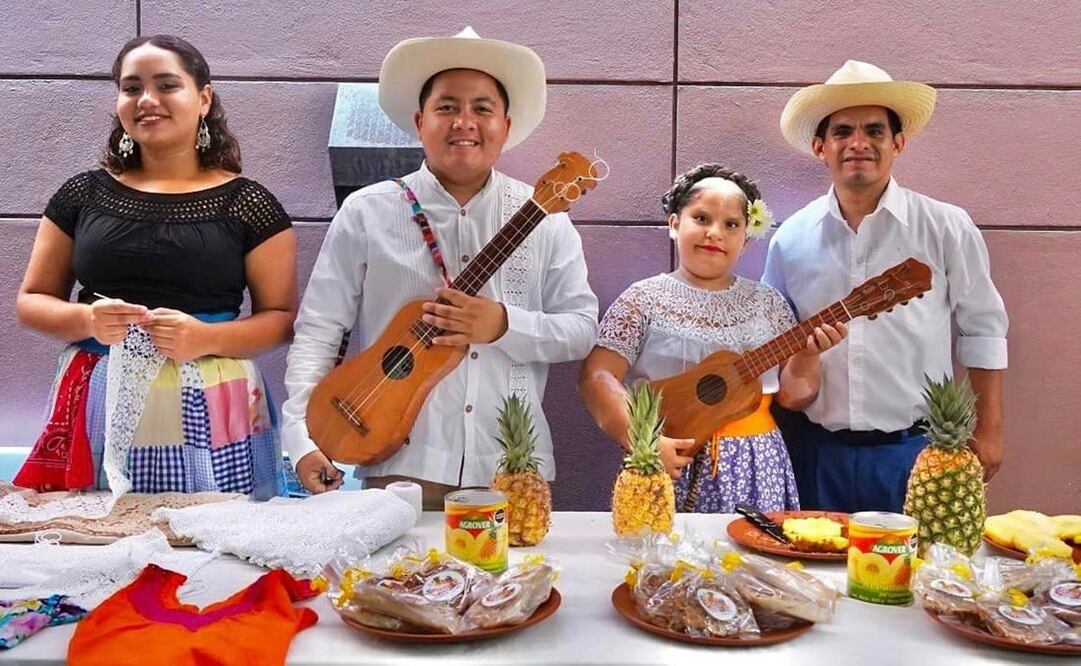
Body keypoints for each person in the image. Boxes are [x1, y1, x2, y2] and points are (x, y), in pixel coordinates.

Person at [281, 28, 598, 505]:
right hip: (397, 466)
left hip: (512, 470)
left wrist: (503, 324)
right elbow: (319, 330)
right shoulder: (368, 211)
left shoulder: (544, 217)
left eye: (482, 108)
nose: (464, 122)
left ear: (506, 127)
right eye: (446, 107)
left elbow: (580, 330)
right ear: (419, 121)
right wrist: (302, 440)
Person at [14, 35, 297, 499]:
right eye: (131, 88)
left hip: (213, 400)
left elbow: (281, 319)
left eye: (167, 85)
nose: (147, 100)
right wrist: (85, 319)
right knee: (99, 545)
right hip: (97, 397)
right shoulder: (81, 195)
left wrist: (205, 338)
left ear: (203, 98)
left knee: (213, 550)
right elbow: (31, 303)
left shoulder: (251, 205)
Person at [764, 60, 1008, 512]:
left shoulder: (945, 227)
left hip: (917, 454)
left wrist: (989, 429)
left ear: (898, 143)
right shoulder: (790, 239)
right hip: (815, 453)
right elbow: (771, 342)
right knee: (813, 578)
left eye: (875, 131)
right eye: (842, 132)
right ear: (820, 146)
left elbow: (984, 329)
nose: (859, 143)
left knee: (916, 579)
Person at [578, 164, 845, 512]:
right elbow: (596, 377)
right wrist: (643, 440)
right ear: (675, 225)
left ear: (746, 237)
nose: (714, 233)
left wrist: (809, 356)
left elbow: (793, 397)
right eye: (701, 218)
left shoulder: (767, 303)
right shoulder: (642, 299)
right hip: (666, 462)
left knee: (752, 562)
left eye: (731, 224)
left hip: (755, 465)